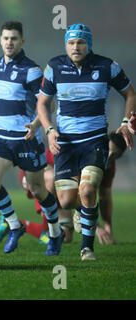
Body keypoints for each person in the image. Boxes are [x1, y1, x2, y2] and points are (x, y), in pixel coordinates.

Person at [37, 23, 135, 260]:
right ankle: (85, 221)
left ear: (89, 45)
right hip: (66, 145)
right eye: (71, 43)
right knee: (67, 200)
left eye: (80, 43)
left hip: (95, 142)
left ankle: (87, 248)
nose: (75, 47)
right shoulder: (54, 67)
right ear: (66, 46)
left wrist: (125, 121)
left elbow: (130, 94)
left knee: (89, 190)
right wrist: (49, 130)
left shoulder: (106, 66)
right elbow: (41, 103)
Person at [0, 21, 64, 255]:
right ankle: (14, 226)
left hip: (26, 139)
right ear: (0, 40)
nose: (9, 42)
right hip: (0, 137)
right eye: (5, 38)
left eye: (13, 38)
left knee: (38, 189)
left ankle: (55, 232)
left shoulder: (31, 71)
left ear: (22, 41)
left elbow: (48, 103)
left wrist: (34, 125)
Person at [0, 149, 74, 244]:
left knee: (66, 237)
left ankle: (14, 224)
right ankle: (46, 230)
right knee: (51, 176)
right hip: (35, 179)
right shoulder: (56, 149)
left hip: (56, 186)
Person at [73, 131, 128, 245]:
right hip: (46, 183)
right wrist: (95, 226)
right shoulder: (85, 154)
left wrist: (108, 227)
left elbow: (105, 196)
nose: (109, 156)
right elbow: (75, 193)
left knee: (66, 236)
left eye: (114, 155)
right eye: (108, 150)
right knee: (56, 231)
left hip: (70, 197)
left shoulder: (109, 166)